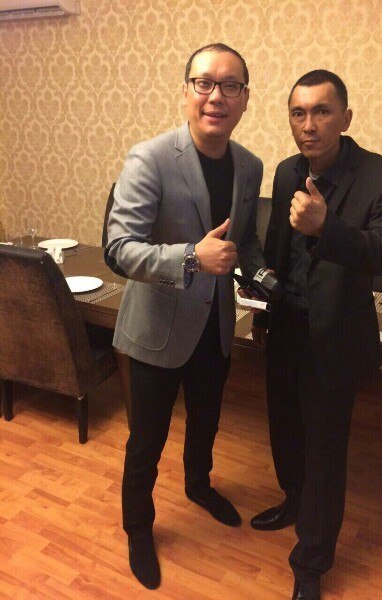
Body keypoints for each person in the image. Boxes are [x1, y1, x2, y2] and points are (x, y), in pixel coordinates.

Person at [105, 43, 265, 590]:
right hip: (156, 328)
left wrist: (261, 272)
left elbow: (245, 241)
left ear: (245, 98)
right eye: (204, 83)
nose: (216, 96)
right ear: (187, 90)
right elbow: (119, 249)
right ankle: (138, 528)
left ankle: (199, 485)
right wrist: (192, 258)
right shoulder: (149, 158)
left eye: (230, 85)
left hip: (216, 326)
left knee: (206, 421)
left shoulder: (250, 166)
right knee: (145, 441)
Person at [250, 70, 382, 600]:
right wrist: (264, 312)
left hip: (335, 335)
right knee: (285, 431)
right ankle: (294, 502)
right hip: (287, 325)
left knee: (324, 450)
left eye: (322, 111)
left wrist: (327, 228)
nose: (309, 124)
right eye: (298, 113)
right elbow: (277, 245)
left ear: (345, 117)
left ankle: (311, 563)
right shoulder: (286, 171)